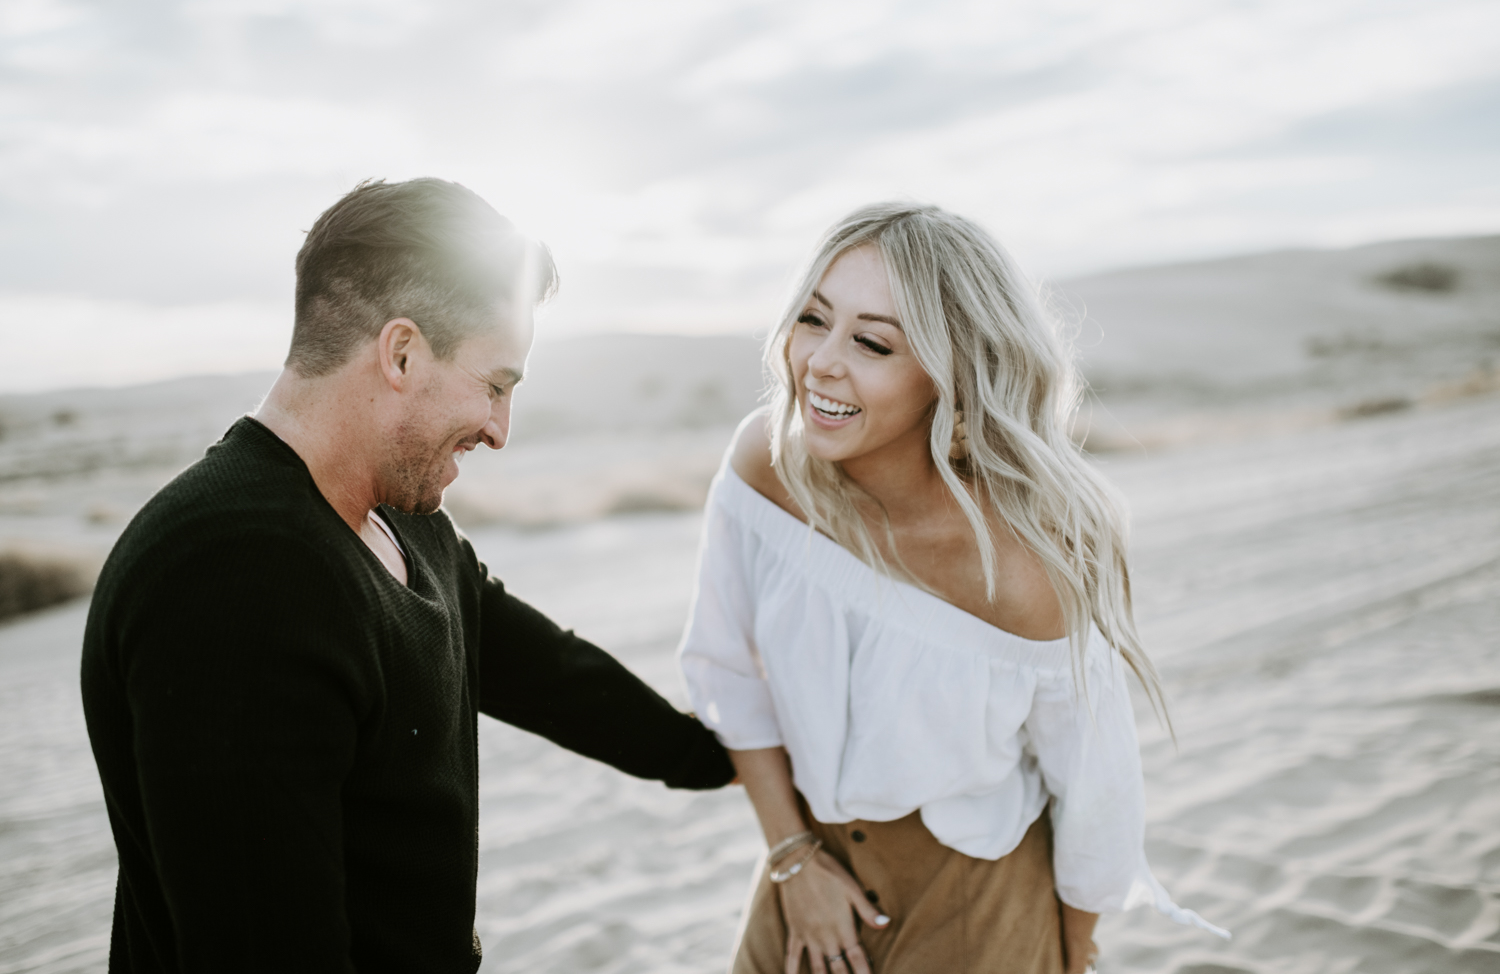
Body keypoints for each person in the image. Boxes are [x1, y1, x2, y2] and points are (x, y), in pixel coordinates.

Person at [81, 178, 735, 973]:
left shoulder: (403, 517)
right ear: (400, 353)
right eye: (495, 386)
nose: (499, 430)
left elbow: (550, 675)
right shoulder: (232, 577)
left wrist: (729, 756)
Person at [678, 203, 1229, 974]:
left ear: (950, 374)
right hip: (807, 877)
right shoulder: (764, 466)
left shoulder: (1024, 566)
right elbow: (723, 672)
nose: (821, 362)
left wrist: (1069, 954)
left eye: (872, 342)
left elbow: (1096, 791)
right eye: (812, 319)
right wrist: (793, 858)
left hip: (978, 906)